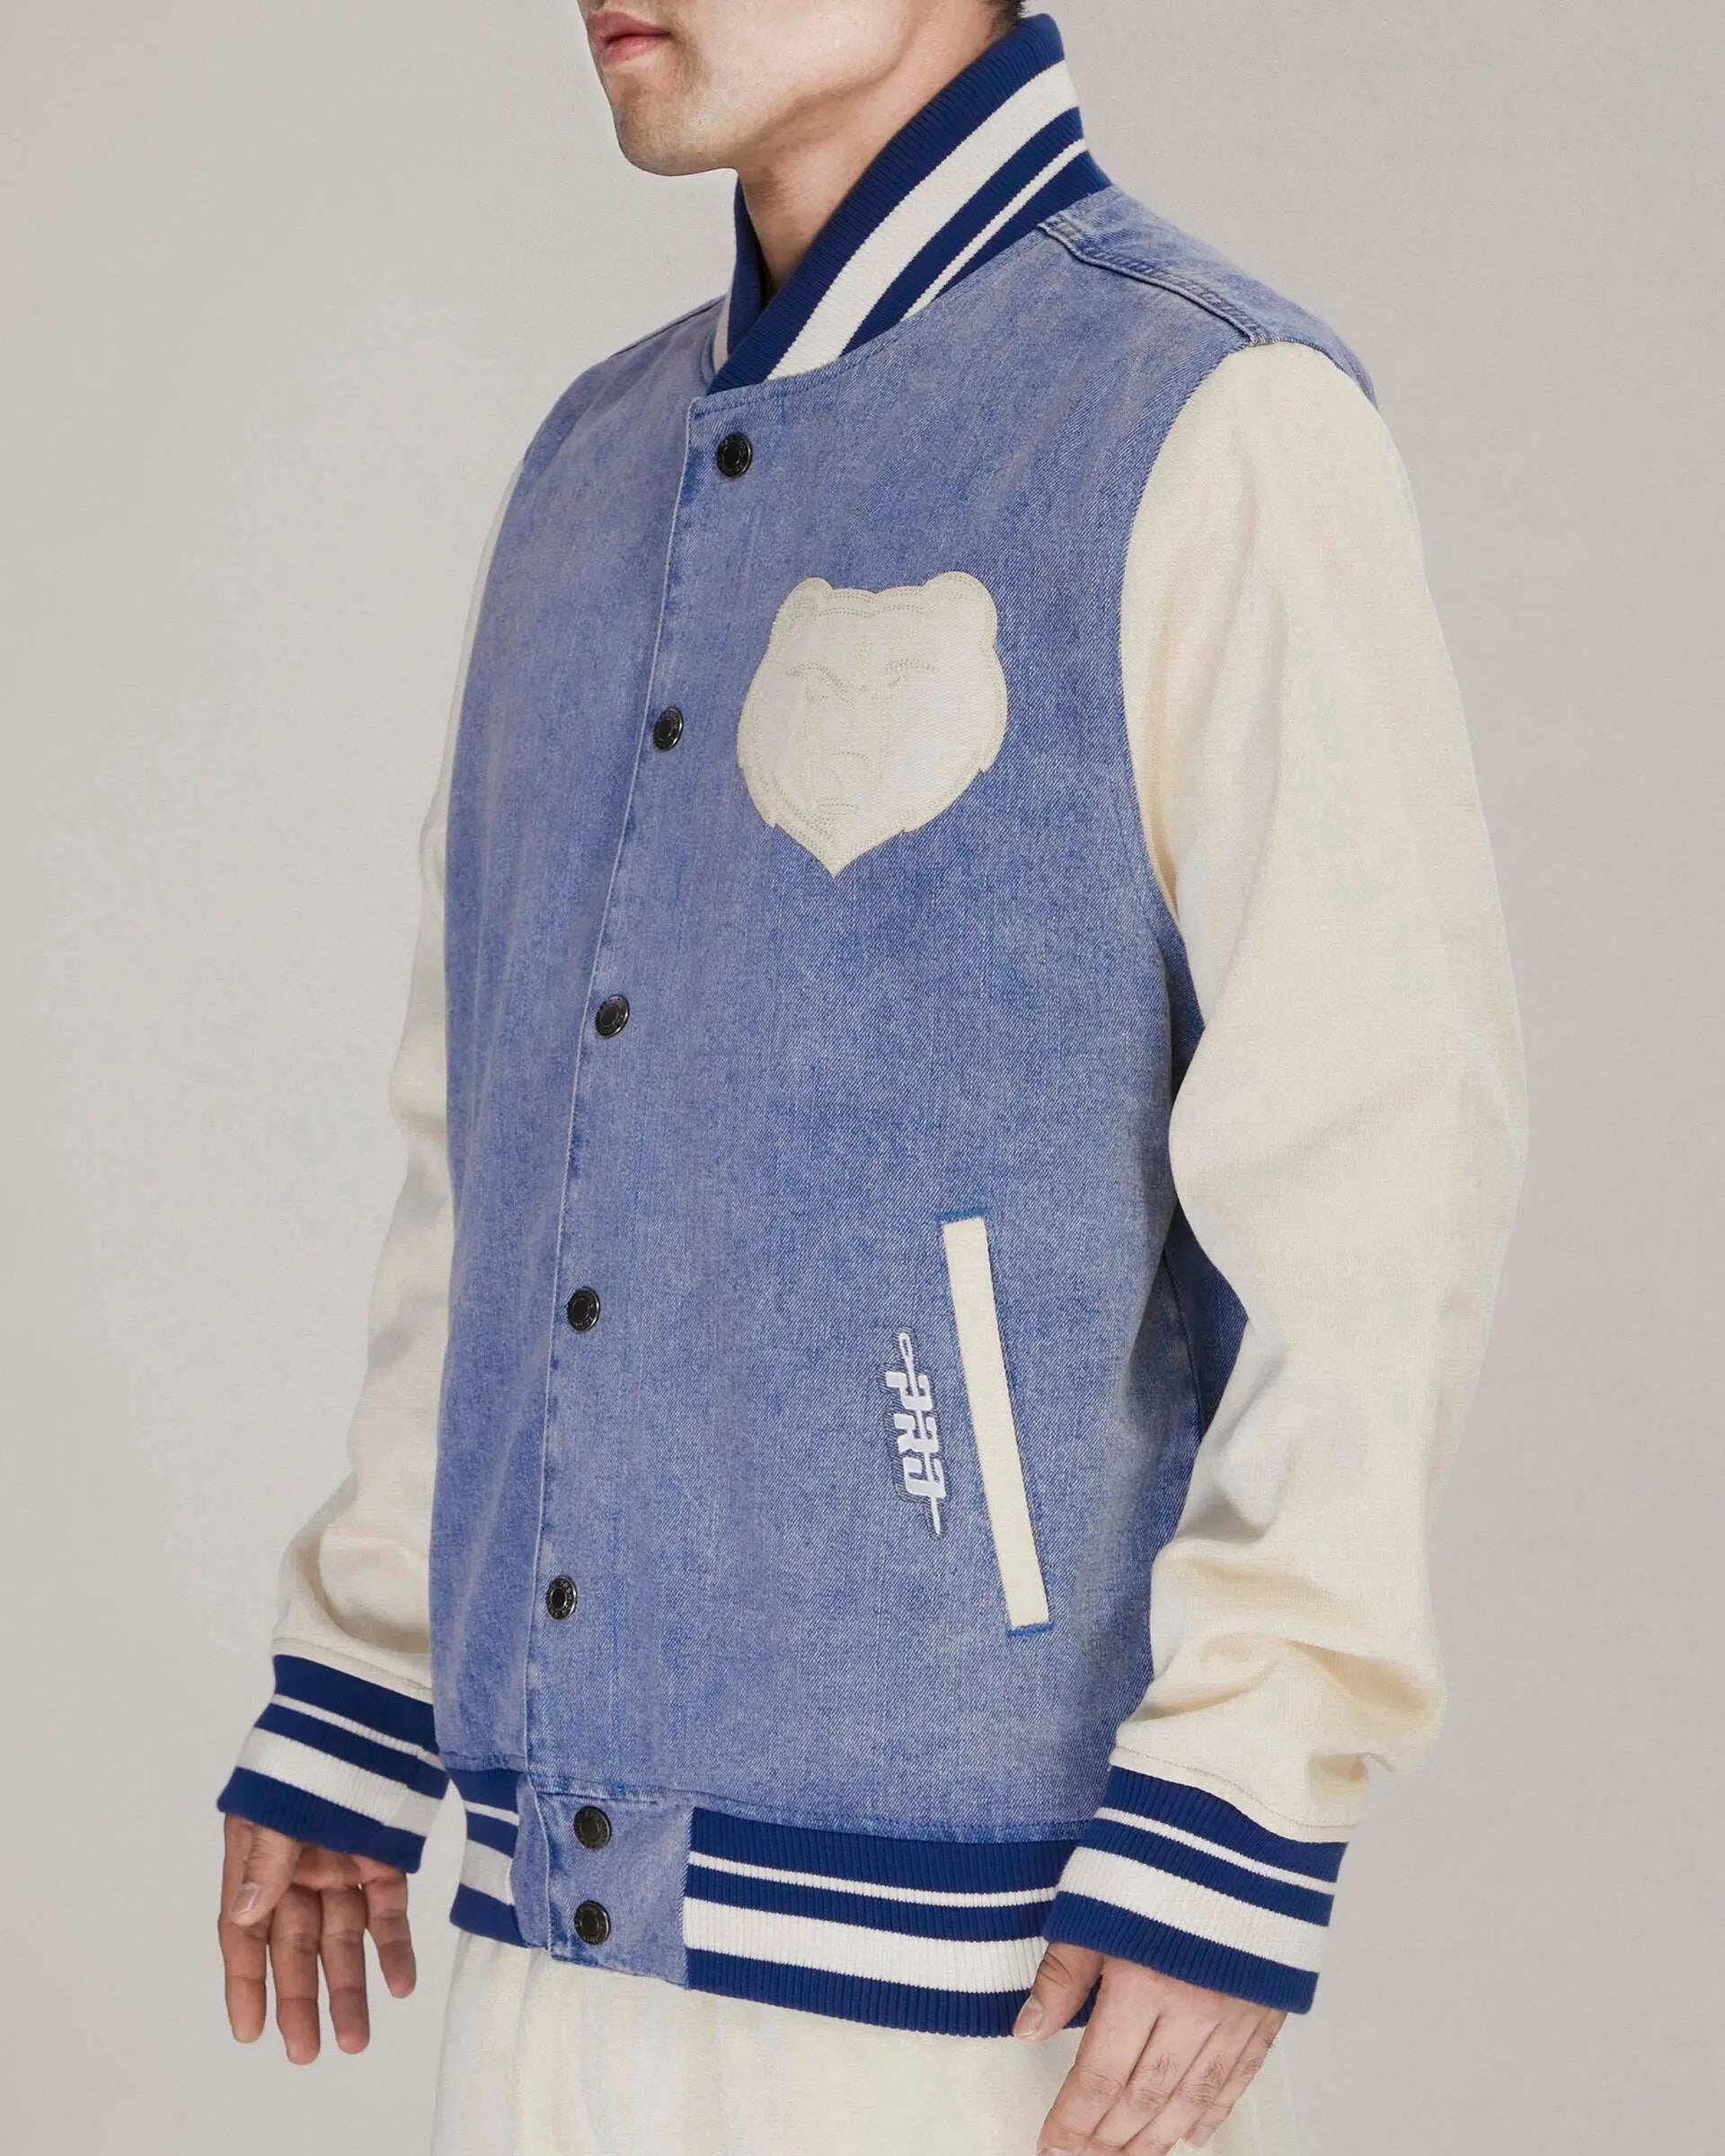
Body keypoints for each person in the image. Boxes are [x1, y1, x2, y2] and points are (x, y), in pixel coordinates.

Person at [213, 6, 1528, 2153]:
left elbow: (1382, 1155)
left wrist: (1250, 1782)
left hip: (997, 1972)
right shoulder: (586, 468)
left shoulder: (1208, 419)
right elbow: (491, 1150)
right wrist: (364, 1671)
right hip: (550, 1932)